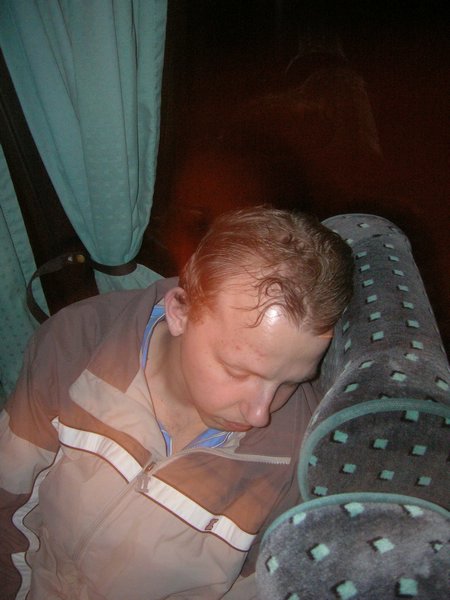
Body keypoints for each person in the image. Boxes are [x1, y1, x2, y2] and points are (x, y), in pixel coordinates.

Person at [0, 206, 353, 599]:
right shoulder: (76, 344)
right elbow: (6, 500)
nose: (260, 414)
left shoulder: (300, 461)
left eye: (290, 382)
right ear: (179, 312)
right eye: (237, 371)